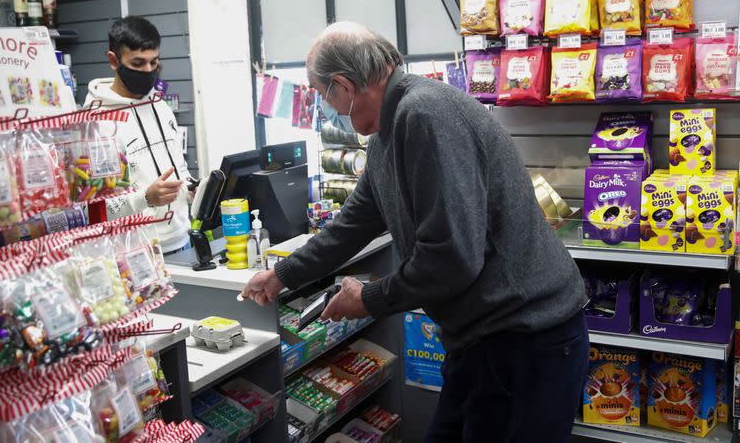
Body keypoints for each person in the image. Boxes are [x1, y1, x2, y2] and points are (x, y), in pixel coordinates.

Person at [242, 22, 589, 442]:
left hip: (526, 340)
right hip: (482, 340)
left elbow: (451, 258)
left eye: (321, 94)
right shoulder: (388, 133)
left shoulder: (424, 115)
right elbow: (355, 221)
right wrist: (283, 275)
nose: (325, 108)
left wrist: (368, 299)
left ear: (344, 87)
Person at [85, 16, 191, 254]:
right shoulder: (97, 124)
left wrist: (192, 188)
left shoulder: (161, 108)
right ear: (114, 60)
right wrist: (145, 198)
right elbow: (97, 208)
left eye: (154, 62)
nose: (148, 71)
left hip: (182, 240)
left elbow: (180, 169)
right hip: (135, 254)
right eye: (138, 63)